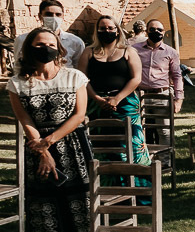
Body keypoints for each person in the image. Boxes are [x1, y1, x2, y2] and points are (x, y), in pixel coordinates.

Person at [6, 31, 92, 232]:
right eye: (40, 45)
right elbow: (25, 119)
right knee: (44, 203)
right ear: (29, 49)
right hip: (36, 148)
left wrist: (50, 141)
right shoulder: (17, 84)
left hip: (72, 146)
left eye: (51, 45)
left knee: (80, 200)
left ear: (59, 49)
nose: (45, 48)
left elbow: (78, 115)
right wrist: (43, 151)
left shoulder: (75, 77)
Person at [78, 16, 151, 170]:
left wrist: (117, 99)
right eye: (103, 28)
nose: (107, 31)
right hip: (96, 103)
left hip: (125, 103)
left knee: (131, 142)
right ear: (97, 31)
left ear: (117, 31)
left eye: (111, 28)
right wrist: (97, 99)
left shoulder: (128, 51)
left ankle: (139, 183)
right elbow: (82, 79)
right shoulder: (88, 52)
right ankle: (106, 183)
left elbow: (136, 78)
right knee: (102, 143)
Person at [132, 18, 184, 148]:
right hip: (140, 95)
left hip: (162, 95)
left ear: (164, 32)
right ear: (146, 31)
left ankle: (165, 162)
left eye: (159, 30)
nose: (156, 32)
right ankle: (145, 162)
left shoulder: (170, 52)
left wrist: (179, 99)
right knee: (139, 131)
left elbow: (177, 76)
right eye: (152, 29)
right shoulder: (134, 50)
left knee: (164, 131)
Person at [13, 0, 86, 70]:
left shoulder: (75, 42)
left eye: (58, 14)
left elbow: (79, 68)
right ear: (40, 16)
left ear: (63, 16)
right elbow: (18, 66)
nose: (54, 18)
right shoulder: (22, 39)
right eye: (49, 14)